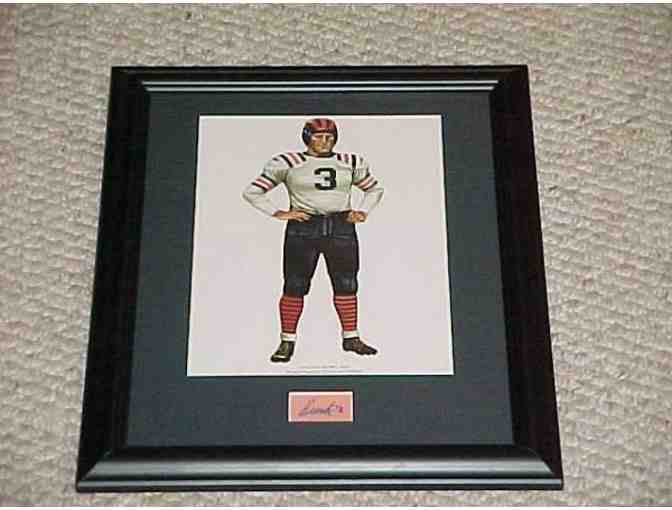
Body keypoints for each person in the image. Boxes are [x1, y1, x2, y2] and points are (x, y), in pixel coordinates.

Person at [242, 118, 384, 363]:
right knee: (295, 284)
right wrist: (278, 212)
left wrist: (362, 211)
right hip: (304, 227)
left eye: (329, 136)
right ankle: (287, 340)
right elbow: (252, 191)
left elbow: (374, 189)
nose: (324, 141)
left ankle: (351, 337)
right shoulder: (288, 162)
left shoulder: (349, 161)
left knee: (347, 283)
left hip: (341, 226)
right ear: (307, 137)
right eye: (318, 136)